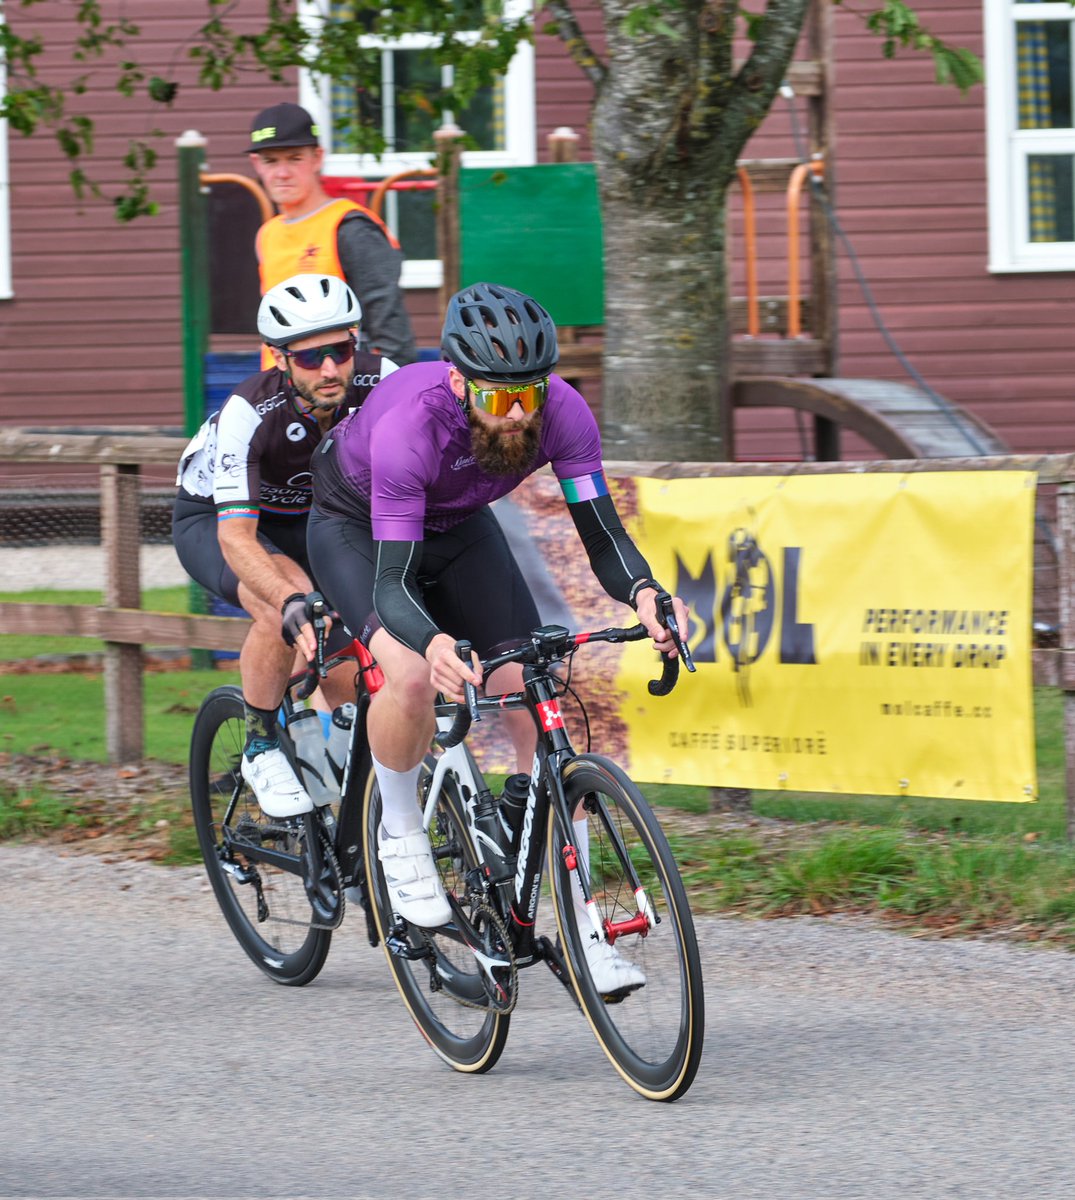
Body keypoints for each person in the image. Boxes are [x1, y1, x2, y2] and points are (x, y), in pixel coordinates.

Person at [307, 282, 690, 995]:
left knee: (534, 700)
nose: (517, 416)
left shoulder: (562, 411)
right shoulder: (410, 427)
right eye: (497, 398)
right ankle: (400, 835)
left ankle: (582, 933)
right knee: (413, 677)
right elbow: (394, 587)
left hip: (459, 528)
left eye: (529, 396)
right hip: (359, 530)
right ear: (457, 381)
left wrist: (644, 592)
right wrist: (433, 643)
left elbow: (601, 532)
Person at [174, 272, 398, 819]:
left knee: (356, 657)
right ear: (278, 358)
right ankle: (259, 745)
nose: (329, 369)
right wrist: (288, 599)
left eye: (341, 350)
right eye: (309, 357)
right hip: (223, 522)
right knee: (293, 603)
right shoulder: (248, 413)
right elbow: (236, 536)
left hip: (320, 519)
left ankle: (346, 811)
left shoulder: (383, 382)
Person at [248, 101, 417, 368]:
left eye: (294, 158)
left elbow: (392, 335)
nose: (282, 173)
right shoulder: (267, 234)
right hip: (281, 397)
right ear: (256, 164)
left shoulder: (350, 227)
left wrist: (388, 402)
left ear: (318, 157)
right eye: (270, 160)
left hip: (340, 395)